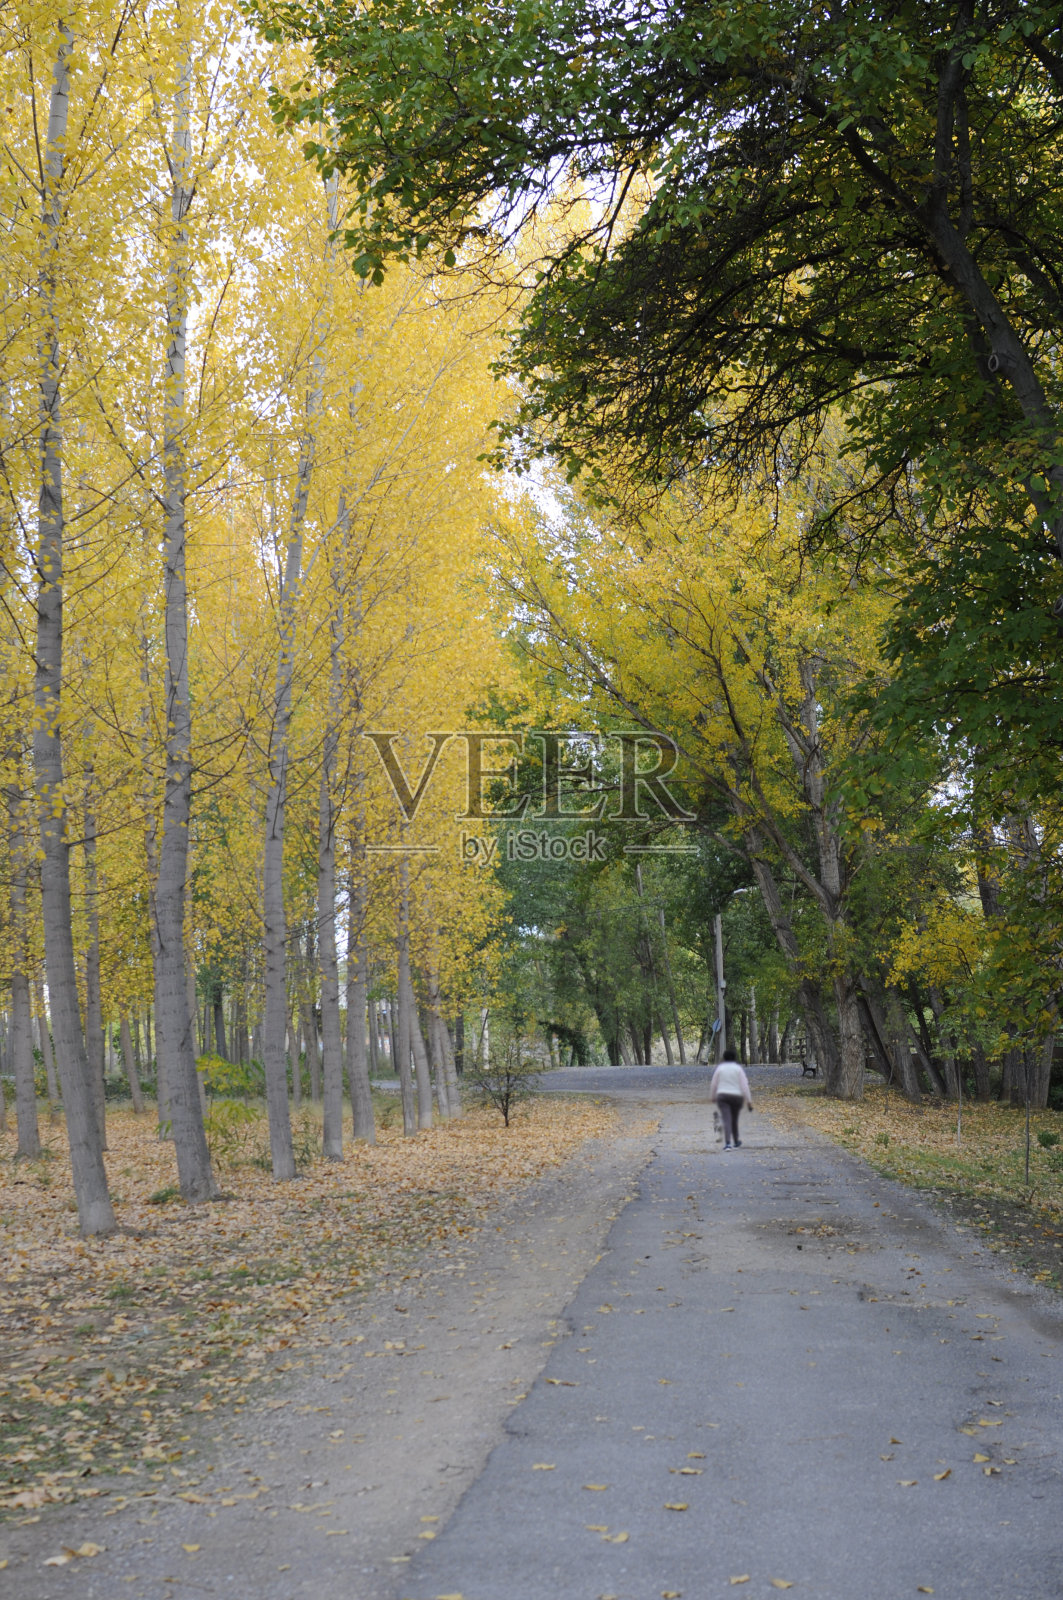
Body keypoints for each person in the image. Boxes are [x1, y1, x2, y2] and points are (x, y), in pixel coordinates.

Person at [709, 1048, 753, 1150]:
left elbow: (714, 1084)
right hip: (736, 1097)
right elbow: (745, 1086)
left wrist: (713, 1096)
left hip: (722, 1096)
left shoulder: (720, 1068)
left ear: (724, 1058)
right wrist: (749, 1101)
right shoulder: (738, 1069)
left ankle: (728, 1143)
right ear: (734, 1058)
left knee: (726, 1119)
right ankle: (736, 1141)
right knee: (734, 1119)